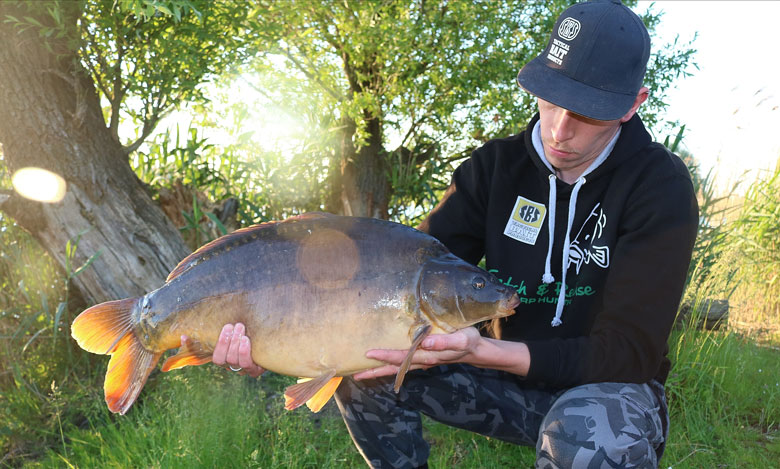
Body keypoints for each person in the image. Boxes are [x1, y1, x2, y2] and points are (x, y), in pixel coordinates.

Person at [207, 0, 698, 467]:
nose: (559, 130)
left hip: (603, 387)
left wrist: (488, 350)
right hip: (495, 379)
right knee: (365, 367)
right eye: (550, 102)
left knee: (593, 436)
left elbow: (629, 353)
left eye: (586, 112)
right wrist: (272, 341)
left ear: (633, 104)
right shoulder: (493, 169)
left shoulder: (660, 188)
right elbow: (405, 270)